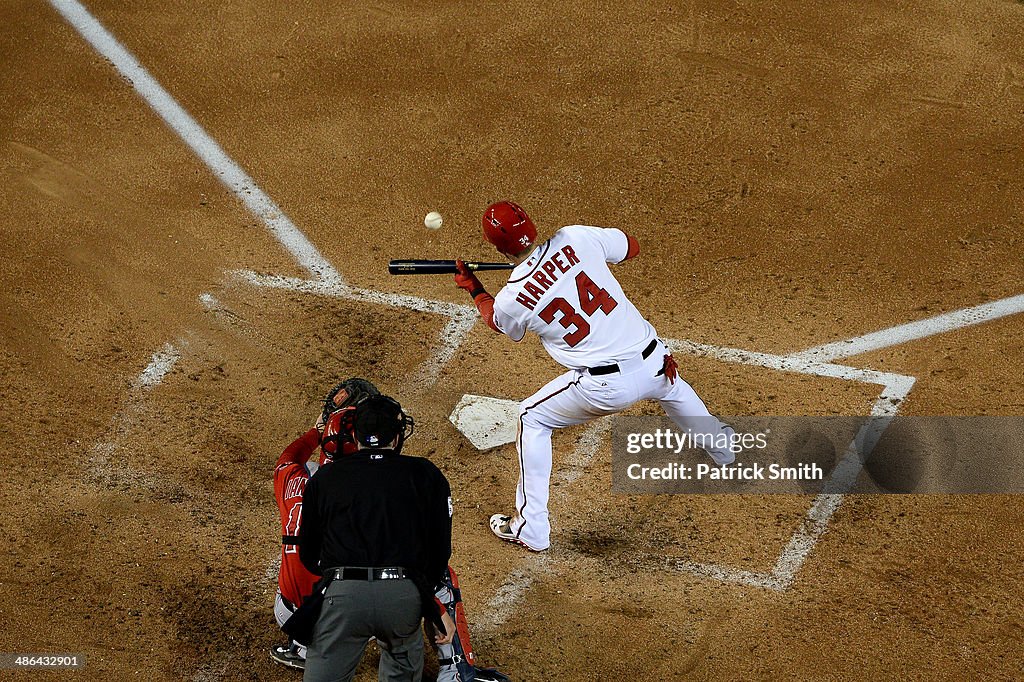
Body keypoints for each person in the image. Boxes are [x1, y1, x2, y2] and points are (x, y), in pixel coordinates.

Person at [454, 201, 736, 552]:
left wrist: (475, 289)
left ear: (498, 247)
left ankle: (532, 527)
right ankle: (724, 449)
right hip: (655, 360)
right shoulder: (576, 236)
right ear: (532, 223)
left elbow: (497, 322)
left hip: (605, 387)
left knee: (531, 418)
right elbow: (631, 246)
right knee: (672, 390)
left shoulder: (512, 298)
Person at [298, 395, 455, 682]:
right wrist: (427, 602)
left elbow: (307, 553)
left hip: (342, 598)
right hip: (403, 598)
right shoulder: (425, 474)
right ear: (396, 438)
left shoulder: (325, 477)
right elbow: (440, 551)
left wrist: (342, 579)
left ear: (354, 435)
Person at [271, 378, 380, 669]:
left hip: (289, 614)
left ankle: (301, 644)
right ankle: (451, 666)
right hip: (344, 622)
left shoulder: (291, 479)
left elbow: (288, 459)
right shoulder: (366, 495)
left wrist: (318, 431)